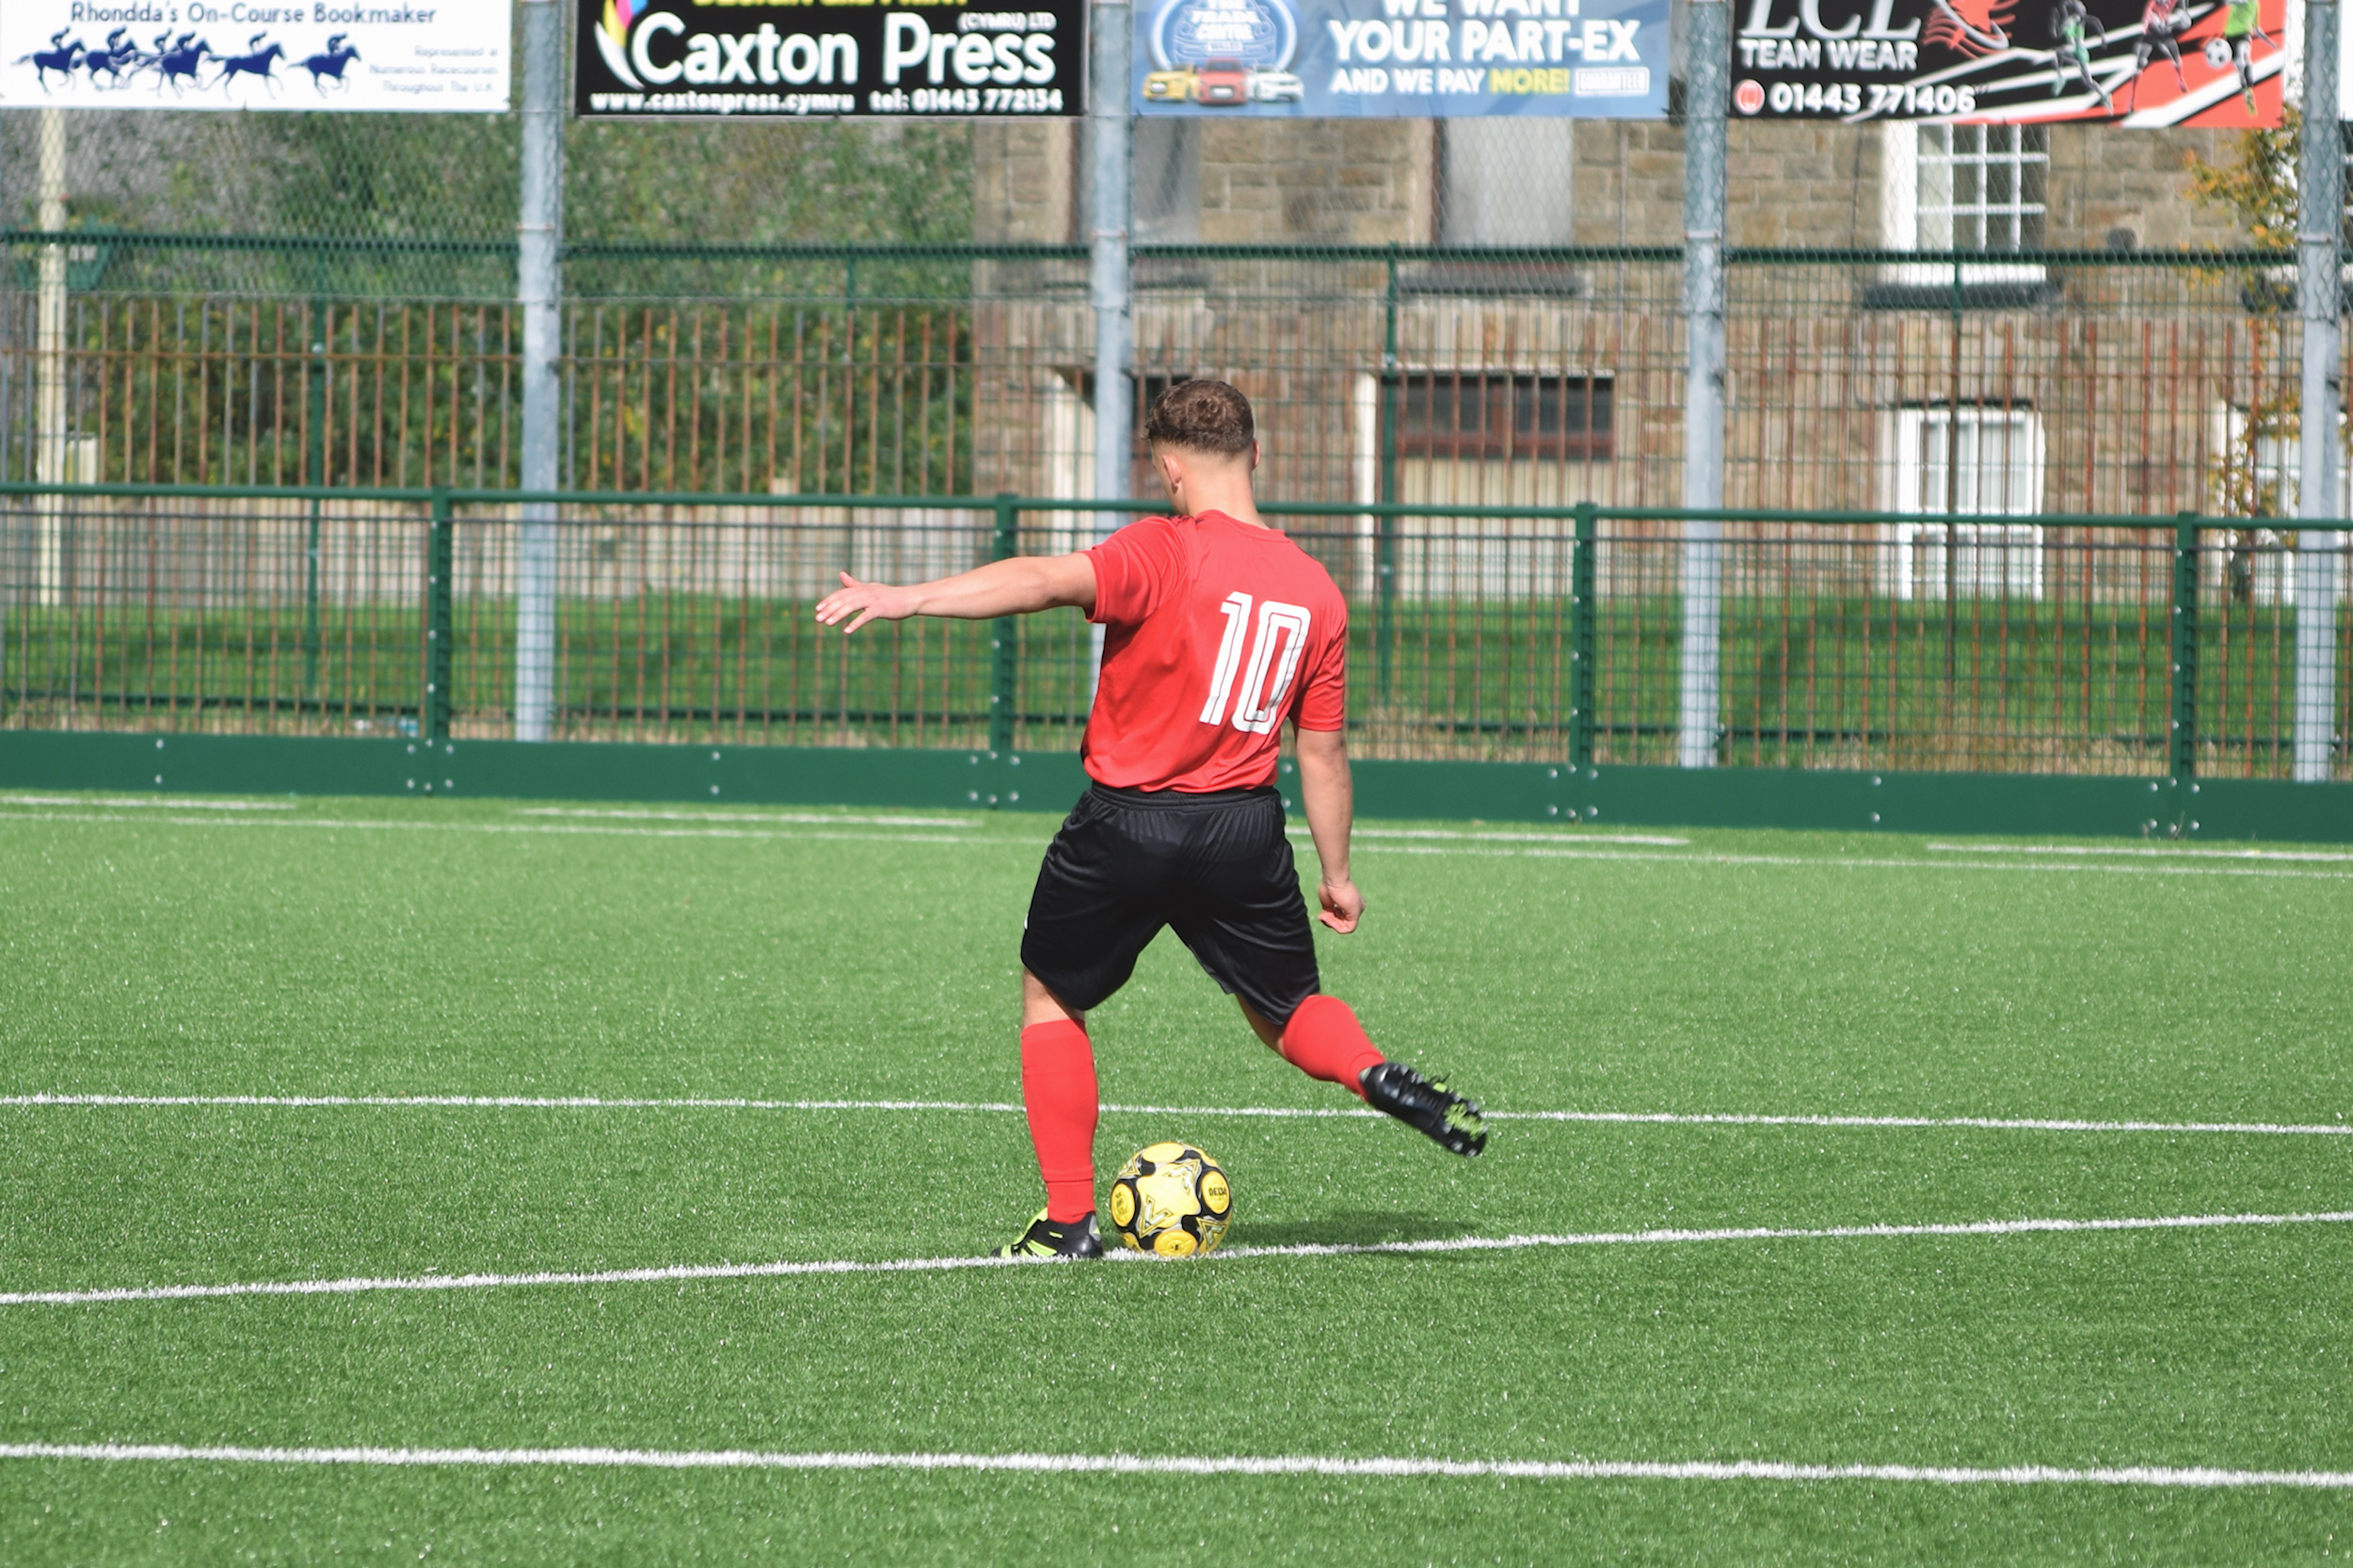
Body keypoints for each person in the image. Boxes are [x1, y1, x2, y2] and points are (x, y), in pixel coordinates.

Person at [814, 378, 1487, 1260]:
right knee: (1287, 1012)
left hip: (1127, 826)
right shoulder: (1317, 591)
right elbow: (1320, 754)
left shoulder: (1166, 550)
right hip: (1245, 833)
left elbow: (1043, 579)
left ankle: (1066, 1222)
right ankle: (1369, 1070)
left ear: (1168, 469)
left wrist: (912, 597)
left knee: (1052, 993)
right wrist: (1338, 873)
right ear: (1258, 455)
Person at [2122, 0, 2188, 114]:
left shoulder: (2170, 2)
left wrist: (2184, 10)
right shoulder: (2151, 5)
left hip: (2164, 33)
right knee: (2140, 65)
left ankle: (2180, 80)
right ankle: (2132, 98)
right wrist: (2168, 26)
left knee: (2176, 56)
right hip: (2150, 33)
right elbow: (2148, 20)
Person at [2051, 0, 2113, 110]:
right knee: (2059, 55)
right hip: (2077, 51)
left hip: (2077, 50)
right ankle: (2103, 95)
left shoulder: (2077, 19)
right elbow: (2058, 34)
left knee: (2088, 81)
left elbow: (2095, 21)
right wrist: (2055, 20)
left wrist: (2102, 37)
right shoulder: (2069, 21)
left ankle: (2104, 96)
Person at [2220, 0, 2269, 115]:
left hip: (2244, 35)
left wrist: (2270, 42)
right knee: (2238, 66)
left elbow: (2256, 28)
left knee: (2243, 57)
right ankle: (2247, 92)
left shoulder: (2255, 4)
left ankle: (2249, 87)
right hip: (2230, 35)